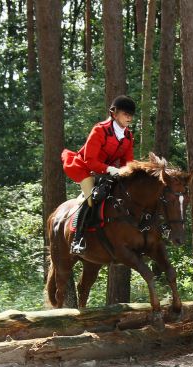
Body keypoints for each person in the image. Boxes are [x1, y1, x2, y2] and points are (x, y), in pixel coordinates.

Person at [61, 95, 136, 254]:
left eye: (131, 115)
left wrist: (129, 174)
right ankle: (77, 240)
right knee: (92, 198)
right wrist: (110, 170)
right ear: (114, 113)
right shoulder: (100, 130)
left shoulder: (128, 136)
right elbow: (90, 160)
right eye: (125, 114)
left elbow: (128, 162)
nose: (129, 118)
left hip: (108, 172)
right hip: (86, 168)